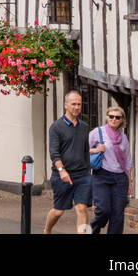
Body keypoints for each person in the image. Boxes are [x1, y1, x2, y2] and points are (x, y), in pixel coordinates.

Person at [46, 90, 93, 233]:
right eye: (73, 104)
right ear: (66, 105)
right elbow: (54, 153)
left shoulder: (84, 127)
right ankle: (47, 230)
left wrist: (88, 172)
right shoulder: (56, 127)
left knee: (82, 208)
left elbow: (86, 151)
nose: (77, 107)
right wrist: (61, 171)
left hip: (82, 175)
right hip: (62, 175)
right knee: (59, 211)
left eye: (79, 104)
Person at [89, 105, 133, 234]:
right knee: (103, 210)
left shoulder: (123, 138)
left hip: (120, 178)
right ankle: (93, 230)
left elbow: (128, 161)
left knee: (118, 214)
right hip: (102, 175)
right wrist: (97, 150)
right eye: (111, 116)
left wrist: (129, 181)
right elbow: (83, 150)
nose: (114, 119)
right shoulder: (97, 132)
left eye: (117, 117)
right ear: (107, 118)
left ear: (121, 120)